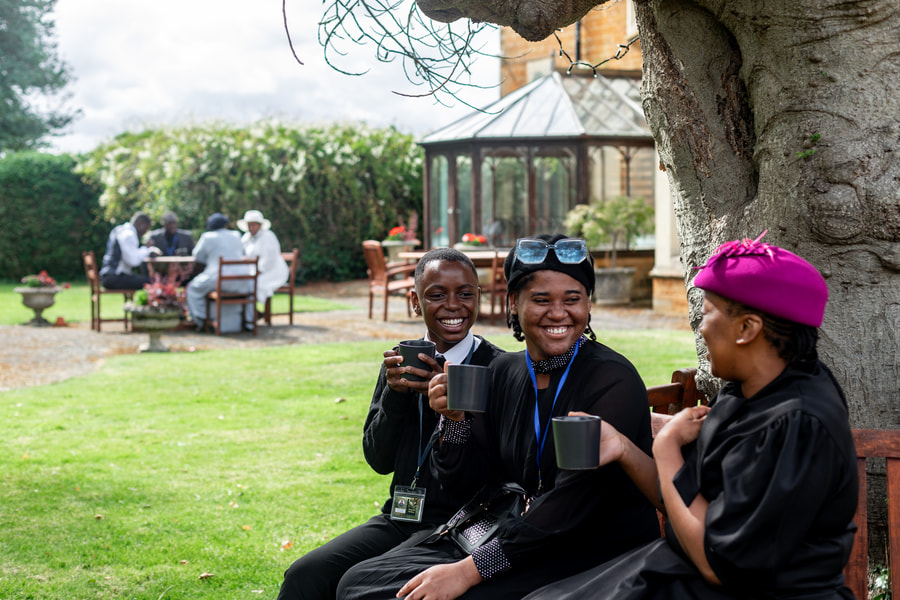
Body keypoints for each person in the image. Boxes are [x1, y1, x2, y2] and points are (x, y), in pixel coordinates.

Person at [522, 233, 858, 600]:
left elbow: (719, 565)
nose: (700, 327)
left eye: (707, 313)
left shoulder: (797, 422)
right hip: (681, 572)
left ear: (747, 329)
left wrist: (666, 449)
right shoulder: (747, 392)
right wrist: (622, 446)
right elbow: (682, 498)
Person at [336, 234, 660, 600]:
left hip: (588, 551)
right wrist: (456, 422)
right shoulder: (505, 372)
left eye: (573, 299)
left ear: (588, 306)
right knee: (360, 582)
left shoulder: (609, 379)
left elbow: (571, 503)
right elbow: (465, 485)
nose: (558, 313)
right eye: (541, 300)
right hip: (512, 536)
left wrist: (469, 571)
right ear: (512, 304)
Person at [277, 248, 505, 600]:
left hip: (462, 526)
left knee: (356, 582)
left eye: (465, 293)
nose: (453, 305)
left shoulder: (498, 369)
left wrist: (456, 412)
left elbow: (499, 469)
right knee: (305, 575)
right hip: (401, 516)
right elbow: (378, 460)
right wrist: (395, 396)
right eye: (436, 295)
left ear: (479, 297)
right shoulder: (401, 360)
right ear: (415, 302)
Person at [186, 212, 252, 332]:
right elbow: (243, 253)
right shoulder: (237, 235)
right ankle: (249, 321)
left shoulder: (207, 237)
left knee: (192, 289)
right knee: (251, 290)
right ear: (225, 225)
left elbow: (197, 256)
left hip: (218, 278)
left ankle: (201, 319)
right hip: (241, 279)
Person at [237, 210, 289, 310]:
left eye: (254, 225)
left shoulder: (268, 236)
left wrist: (258, 271)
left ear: (259, 225)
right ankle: (247, 313)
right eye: (249, 225)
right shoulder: (246, 238)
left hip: (272, 271)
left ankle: (252, 314)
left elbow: (269, 259)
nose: (251, 228)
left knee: (253, 284)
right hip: (252, 271)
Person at [99, 212, 160, 290]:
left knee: (145, 279)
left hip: (108, 276)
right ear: (140, 223)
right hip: (114, 277)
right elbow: (133, 261)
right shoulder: (129, 234)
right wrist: (146, 249)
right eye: (145, 229)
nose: (145, 232)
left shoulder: (120, 229)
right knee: (152, 281)